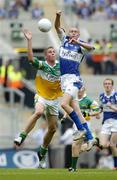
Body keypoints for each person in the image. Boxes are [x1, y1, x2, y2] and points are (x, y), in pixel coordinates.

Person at [14, 29, 62, 168]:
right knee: (38, 112)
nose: (53, 53)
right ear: (46, 56)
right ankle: (22, 136)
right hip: (41, 96)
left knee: (52, 129)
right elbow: (30, 58)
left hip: (53, 100)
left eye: (54, 52)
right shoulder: (43, 65)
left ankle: (42, 151)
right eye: (50, 52)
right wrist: (29, 41)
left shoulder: (61, 66)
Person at [55, 10, 95, 145]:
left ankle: (81, 130)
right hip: (64, 80)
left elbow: (92, 48)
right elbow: (56, 27)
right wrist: (58, 16)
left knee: (63, 104)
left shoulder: (81, 45)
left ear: (78, 34)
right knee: (77, 111)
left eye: (75, 32)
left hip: (74, 80)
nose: (72, 33)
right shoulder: (64, 40)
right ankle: (90, 138)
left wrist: (79, 43)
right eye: (71, 31)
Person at [68, 86, 100, 172]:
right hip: (75, 125)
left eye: (81, 89)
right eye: (78, 89)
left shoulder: (88, 100)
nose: (79, 91)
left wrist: (88, 113)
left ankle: (73, 168)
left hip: (84, 125)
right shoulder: (73, 100)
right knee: (76, 147)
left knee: (75, 145)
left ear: (84, 90)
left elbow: (98, 112)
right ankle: (94, 141)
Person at [99, 78, 117, 170]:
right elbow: (101, 108)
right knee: (102, 145)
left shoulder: (116, 95)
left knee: (113, 145)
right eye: (105, 83)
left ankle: (115, 165)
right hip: (106, 122)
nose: (107, 85)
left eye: (109, 83)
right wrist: (97, 113)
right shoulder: (101, 96)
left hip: (115, 122)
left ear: (112, 85)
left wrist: (112, 107)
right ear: (103, 85)